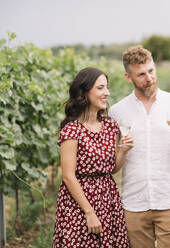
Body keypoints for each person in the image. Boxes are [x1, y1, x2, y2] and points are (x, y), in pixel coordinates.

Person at [108, 45, 170, 248]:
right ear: (128, 77)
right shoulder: (117, 112)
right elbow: (112, 162)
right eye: (141, 74)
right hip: (134, 203)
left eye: (151, 71)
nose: (149, 78)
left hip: (169, 199)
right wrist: (122, 150)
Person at [53, 67, 133, 248]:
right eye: (100, 88)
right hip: (80, 202)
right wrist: (89, 212)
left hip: (108, 198)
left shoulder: (110, 125)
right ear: (84, 92)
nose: (107, 93)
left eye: (107, 87)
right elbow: (68, 176)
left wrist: (123, 151)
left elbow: (112, 168)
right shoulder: (72, 130)